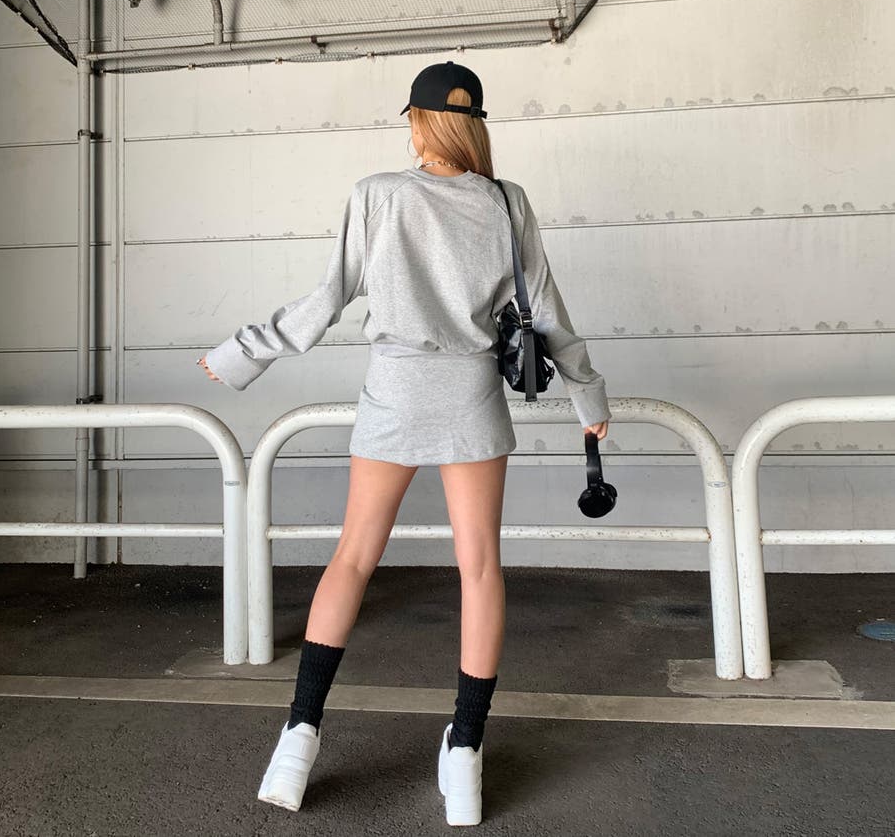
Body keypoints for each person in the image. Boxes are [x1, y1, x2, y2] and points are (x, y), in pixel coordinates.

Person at [197, 60, 610, 827]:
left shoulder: (377, 195)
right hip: (471, 398)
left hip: (393, 393)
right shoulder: (507, 202)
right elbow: (549, 314)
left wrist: (239, 353)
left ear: (419, 123)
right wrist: (588, 396)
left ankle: (298, 738)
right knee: (479, 570)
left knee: (353, 559)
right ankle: (465, 757)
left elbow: (327, 298)